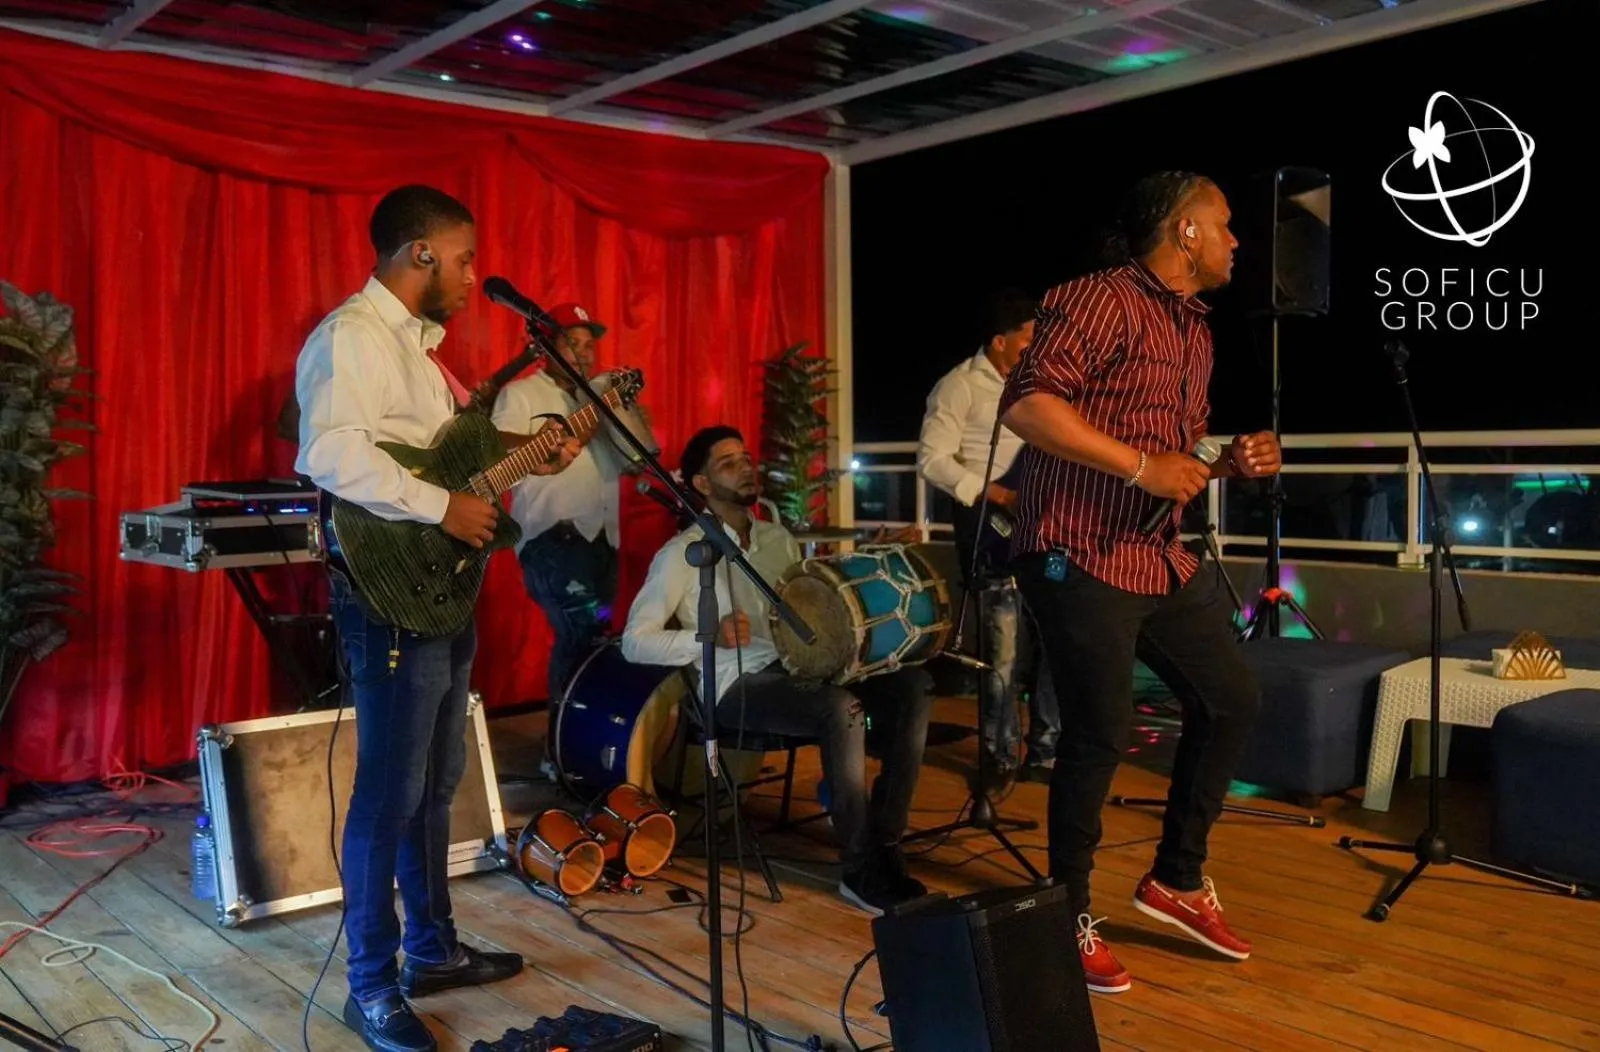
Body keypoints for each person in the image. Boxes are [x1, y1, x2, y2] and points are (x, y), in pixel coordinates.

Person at [296, 184, 579, 1052]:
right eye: (461, 258)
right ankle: (372, 988)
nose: (469, 274)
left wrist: (534, 452)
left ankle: (432, 949)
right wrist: (439, 506)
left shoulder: (420, 354)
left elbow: (451, 454)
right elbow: (329, 449)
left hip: (440, 588)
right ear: (419, 253)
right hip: (388, 598)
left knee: (438, 777)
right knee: (388, 794)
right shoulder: (353, 335)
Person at [997, 172, 1282, 995]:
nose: (1236, 241)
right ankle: (1066, 912)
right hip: (1076, 549)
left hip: (1155, 552)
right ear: (1185, 232)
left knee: (1233, 699)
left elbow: (1171, 463)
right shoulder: (1097, 299)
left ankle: (1176, 880)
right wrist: (1137, 465)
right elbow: (1027, 407)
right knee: (1101, 731)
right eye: (1224, 225)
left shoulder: (1195, 329)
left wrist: (1226, 463)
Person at [621, 427, 935, 915]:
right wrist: (708, 636)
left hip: (792, 670)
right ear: (701, 485)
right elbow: (634, 641)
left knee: (912, 685)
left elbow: (811, 601)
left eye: (746, 456)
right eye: (729, 462)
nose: (746, 466)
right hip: (733, 685)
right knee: (840, 709)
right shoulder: (683, 554)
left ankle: (885, 843)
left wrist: (872, 550)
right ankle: (860, 869)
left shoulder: (775, 539)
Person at [917, 288, 1060, 785]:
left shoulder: (1040, 385)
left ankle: (1045, 751)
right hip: (992, 530)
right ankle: (998, 756)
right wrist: (997, 494)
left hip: (1046, 532)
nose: (1035, 350)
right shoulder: (957, 385)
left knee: (1054, 642)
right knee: (1001, 651)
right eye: (1027, 341)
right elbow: (932, 460)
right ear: (999, 341)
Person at [490, 304, 650, 708]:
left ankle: (582, 739)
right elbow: (493, 451)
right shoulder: (521, 393)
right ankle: (559, 748)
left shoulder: (600, 398)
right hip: (553, 539)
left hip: (602, 540)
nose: (582, 352)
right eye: (570, 341)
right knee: (579, 632)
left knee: (596, 639)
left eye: (588, 345)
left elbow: (630, 464)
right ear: (546, 345)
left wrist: (631, 421)